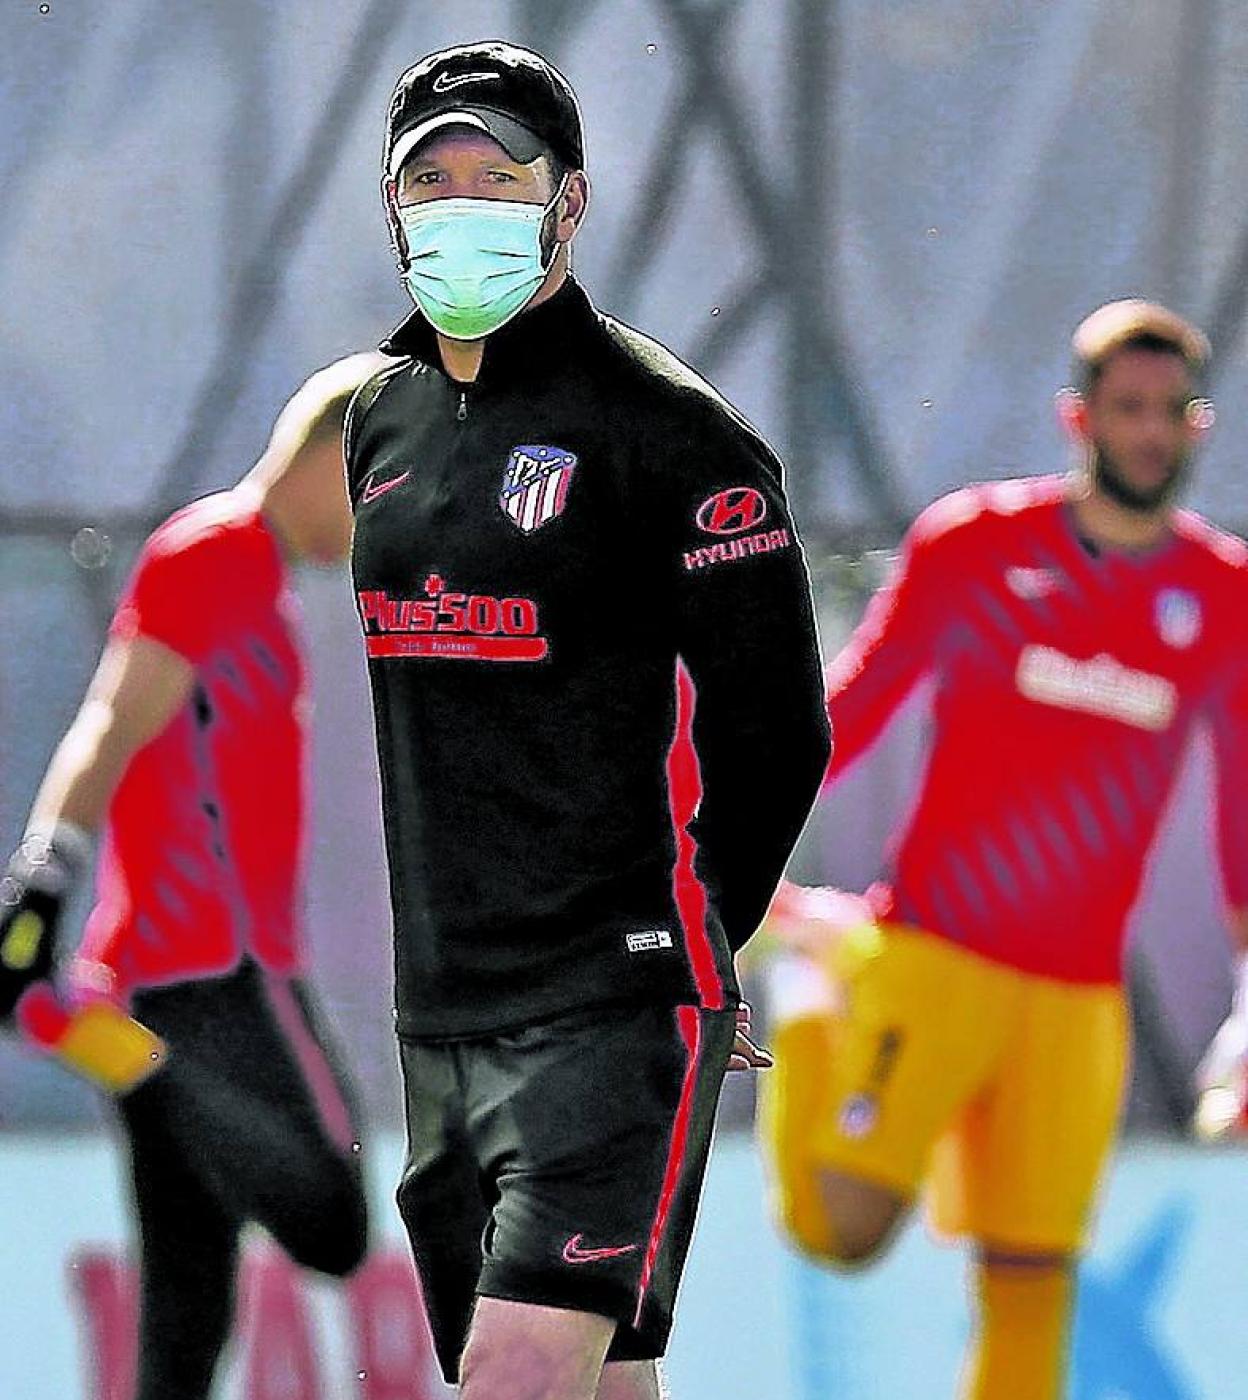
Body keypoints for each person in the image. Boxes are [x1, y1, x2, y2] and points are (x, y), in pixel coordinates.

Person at [345, 39, 831, 1400]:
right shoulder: (379, 418)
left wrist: (706, 927)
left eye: (494, 175)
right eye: (427, 179)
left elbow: (780, 726)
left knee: (514, 1377)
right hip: (443, 1004)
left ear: (569, 203)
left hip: (613, 994)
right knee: (598, 1381)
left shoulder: (672, 432)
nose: (457, 203)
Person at [760, 299, 1248, 1400]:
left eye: (1173, 411)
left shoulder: (1222, 594)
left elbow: (1242, 811)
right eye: (1128, 409)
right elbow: (852, 708)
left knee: (1032, 1284)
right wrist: (718, 831)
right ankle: (808, 982)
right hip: (934, 952)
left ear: (1197, 424)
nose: (1150, 433)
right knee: (843, 1230)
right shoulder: (975, 544)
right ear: (1078, 417)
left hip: (1078, 998)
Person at [0, 353, 387, 1400]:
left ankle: (108, 1041)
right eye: (372, 486)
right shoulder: (217, 551)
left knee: (186, 1308)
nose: (371, 525)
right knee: (335, 1216)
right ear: (327, 454)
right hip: (224, 968)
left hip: (166, 976)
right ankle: (102, 1044)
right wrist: (37, 881)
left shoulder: (250, 578)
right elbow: (110, 722)